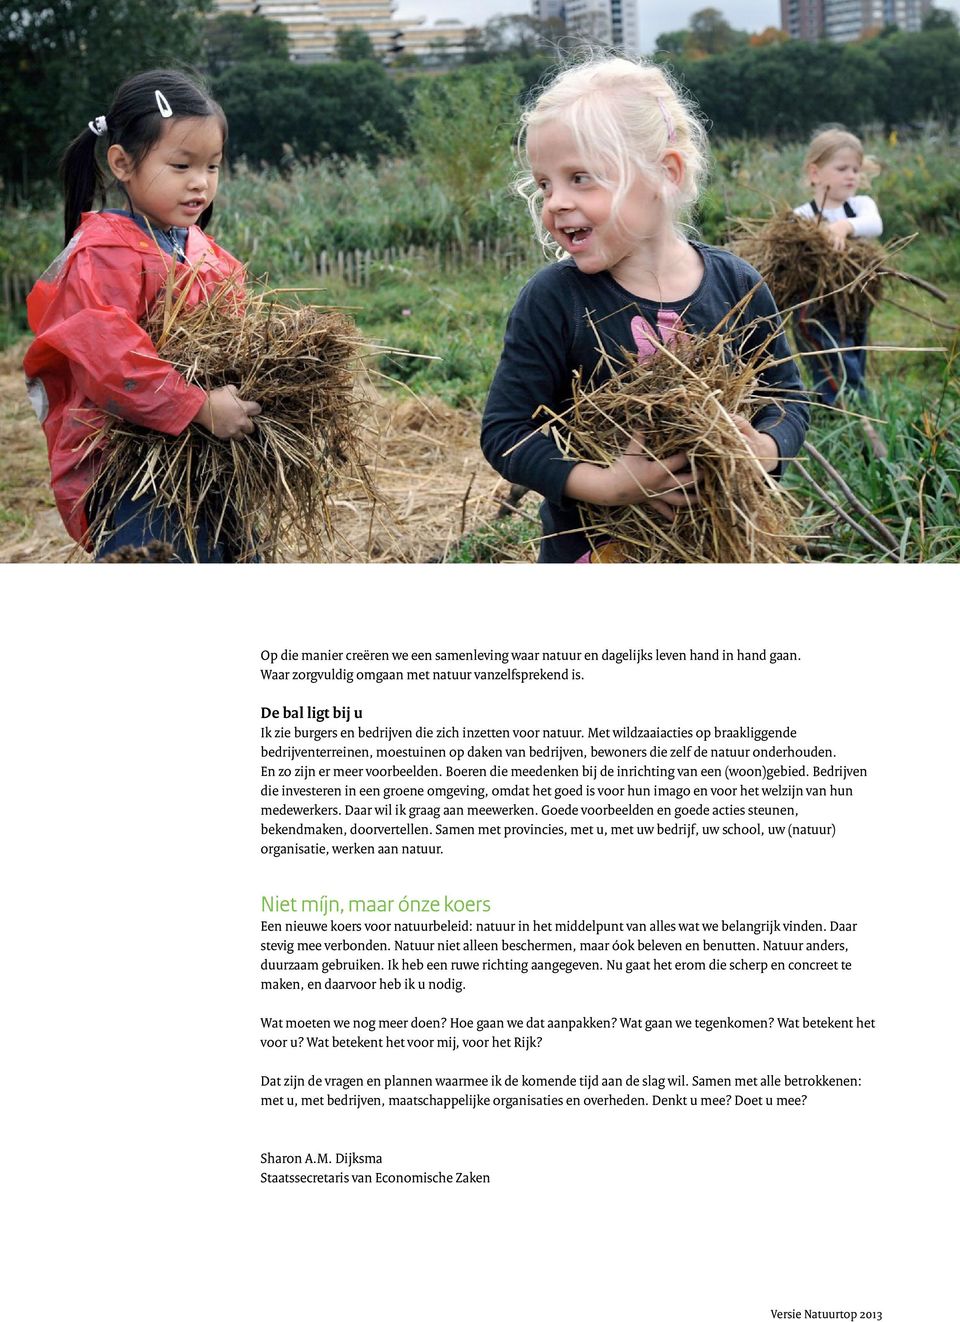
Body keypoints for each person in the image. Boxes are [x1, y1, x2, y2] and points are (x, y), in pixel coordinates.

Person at [481, 57, 808, 564]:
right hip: (591, 552)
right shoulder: (553, 300)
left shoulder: (737, 286)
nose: (555, 202)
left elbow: (786, 396)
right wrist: (612, 486)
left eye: (581, 178)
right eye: (544, 184)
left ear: (665, 173)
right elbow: (504, 433)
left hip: (717, 546)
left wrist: (765, 447)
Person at [23, 69, 261, 561]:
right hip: (131, 468)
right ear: (122, 163)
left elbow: (241, 335)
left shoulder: (209, 255)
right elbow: (109, 359)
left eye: (212, 167)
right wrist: (197, 406)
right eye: (181, 165)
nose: (200, 183)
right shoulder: (103, 253)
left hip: (212, 459)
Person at [792, 128, 882, 409]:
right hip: (814, 303)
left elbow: (876, 225)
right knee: (829, 353)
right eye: (842, 168)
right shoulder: (802, 215)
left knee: (854, 349)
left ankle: (850, 406)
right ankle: (847, 409)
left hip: (855, 298)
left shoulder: (860, 206)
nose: (852, 175)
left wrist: (844, 226)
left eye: (856, 168)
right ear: (815, 173)